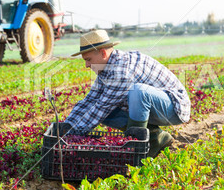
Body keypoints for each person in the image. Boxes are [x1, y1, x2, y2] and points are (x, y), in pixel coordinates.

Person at [56, 29, 191, 158]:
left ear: (103, 53)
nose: (86, 65)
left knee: (138, 92)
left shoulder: (121, 70)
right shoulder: (105, 70)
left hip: (174, 107)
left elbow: (101, 107)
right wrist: (66, 127)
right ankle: (156, 138)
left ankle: (137, 148)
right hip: (155, 107)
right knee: (106, 110)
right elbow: (89, 101)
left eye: (88, 59)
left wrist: (72, 136)